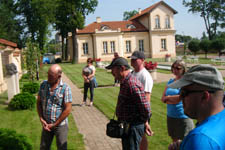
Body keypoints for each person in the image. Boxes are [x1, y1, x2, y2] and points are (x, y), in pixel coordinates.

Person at [168, 64, 225, 150]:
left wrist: (192, 144)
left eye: (184, 93)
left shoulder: (201, 139)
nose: (180, 98)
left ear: (204, 96)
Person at [106, 57, 152, 150]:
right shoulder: (125, 82)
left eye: (113, 69)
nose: (112, 72)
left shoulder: (131, 84)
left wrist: (142, 123)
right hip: (128, 127)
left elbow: (146, 108)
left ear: (122, 68)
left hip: (133, 128)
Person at [37, 64, 72, 150]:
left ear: (59, 76)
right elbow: (38, 103)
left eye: (51, 75)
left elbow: (68, 109)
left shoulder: (65, 88)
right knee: (43, 147)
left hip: (60, 126)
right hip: (46, 125)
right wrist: (41, 118)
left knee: (62, 147)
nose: (48, 77)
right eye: (48, 74)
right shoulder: (43, 85)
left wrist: (55, 124)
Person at [161, 60, 194, 143]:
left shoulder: (185, 83)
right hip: (171, 116)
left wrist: (168, 98)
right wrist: (171, 99)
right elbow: (162, 98)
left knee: (185, 143)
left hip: (183, 117)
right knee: (174, 142)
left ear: (183, 69)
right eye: (173, 67)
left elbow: (180, 98)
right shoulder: (170, 81)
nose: (175, 70)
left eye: (178, 68)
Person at [128, 51, 154, 150]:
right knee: (139, 136)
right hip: (133, 111)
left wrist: (145, 120)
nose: (132, 61)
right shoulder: (133, 73)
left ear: (142, 60)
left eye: (135, 59)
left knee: (141, 136)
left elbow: (147, 98)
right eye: (131, 59)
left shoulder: (145, 76)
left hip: (141, 112)